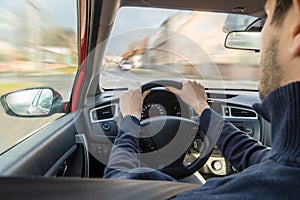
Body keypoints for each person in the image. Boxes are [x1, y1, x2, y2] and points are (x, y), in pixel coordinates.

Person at [104, 0, 300, 199]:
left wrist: (130, 119)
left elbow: (118, 187)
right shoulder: (286, 169)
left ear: (296, 27)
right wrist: (201, 107)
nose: (261, 37)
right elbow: (256, 157)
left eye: (266, 19)